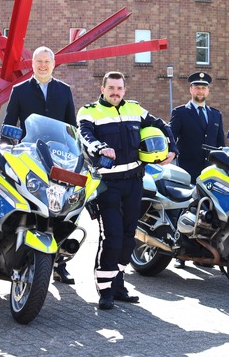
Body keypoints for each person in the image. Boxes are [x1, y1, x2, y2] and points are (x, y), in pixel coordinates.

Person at [78, 71, 178, 310]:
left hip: (134, 182)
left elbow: (162, 125)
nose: (115, 92)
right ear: (102, 89)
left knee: (128, 237)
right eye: (111, 88)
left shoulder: (135, 109)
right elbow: (85, 135)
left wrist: (172, 148)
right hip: (107, 184)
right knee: (111, 237)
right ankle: (105, 291)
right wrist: (100, 147)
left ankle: (118, 284)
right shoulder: (89, 111)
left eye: (119, 88)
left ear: (124, 90)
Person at [3, 45, 78, 284]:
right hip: (29, 157)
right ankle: (22, 251)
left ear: (53, 64)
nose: (43, 65)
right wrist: (6, 147)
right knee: (32, 204)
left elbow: (71, 127)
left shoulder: (64, 91)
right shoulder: (19, 90)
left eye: (47, 61)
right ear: (32, 64)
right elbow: (9, 123)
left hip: (59, 160)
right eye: (39, 61)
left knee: (63, 209)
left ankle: (59, 262)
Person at [170, 72, 225, 268]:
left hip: (209, 173)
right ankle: (180, 252)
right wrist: (171, 153)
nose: (200, 91)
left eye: (204, 88)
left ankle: (204, 252)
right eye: (197, 87)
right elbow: (172, 137)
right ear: (191, 89)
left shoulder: (215, 114)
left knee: (208, 213)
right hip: (188, 170)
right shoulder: (181, 113)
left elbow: (220, 145)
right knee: (185, 210)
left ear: (208, 91)